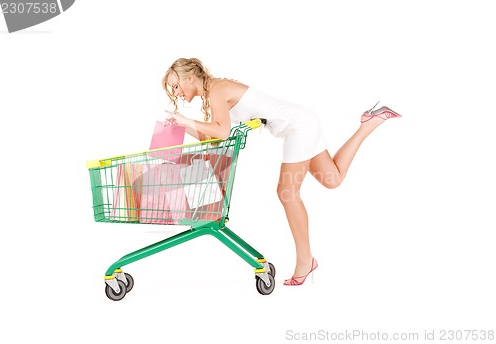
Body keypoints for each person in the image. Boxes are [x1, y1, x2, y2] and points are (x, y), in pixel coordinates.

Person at [162, 57, 401, 286]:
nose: (176, 92)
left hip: (298, 127)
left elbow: (222, 132)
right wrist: (183, 127)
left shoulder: (216, 89)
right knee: (333, 179)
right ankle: (368, 124)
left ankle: (306, 261)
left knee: (287, 192)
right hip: (301, 122)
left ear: (191, 77)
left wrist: (185, 121)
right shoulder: (214, 91)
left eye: (176, 85)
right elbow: (210, 134)